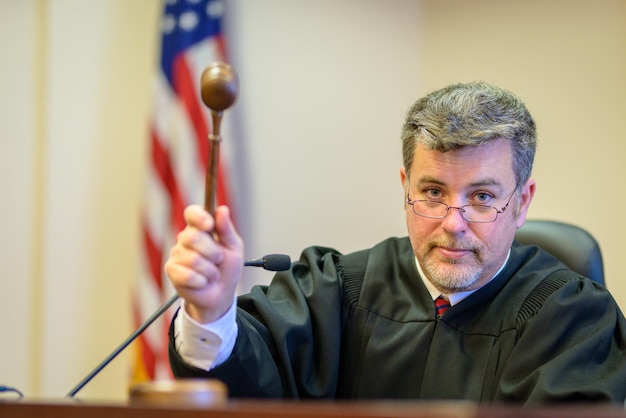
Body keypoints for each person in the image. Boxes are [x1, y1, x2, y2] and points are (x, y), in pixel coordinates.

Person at [165, 81, 626, 404]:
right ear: (405, 185)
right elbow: (243, 381)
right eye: (433, 193)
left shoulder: (575, 319)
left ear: (522, 202)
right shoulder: (338, 289)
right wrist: (212, 310)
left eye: (482, 197)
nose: (454, 224)